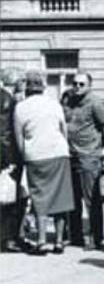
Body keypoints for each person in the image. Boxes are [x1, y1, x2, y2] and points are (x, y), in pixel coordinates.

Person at [13, 71, 74, 255]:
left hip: (35, 155)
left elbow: (19, 137)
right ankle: (58, 241)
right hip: (58, 152)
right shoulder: (54, 104)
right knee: (60, 196)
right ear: (43, 87)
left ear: (27, 88)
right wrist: (64, 148)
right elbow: (64, 130)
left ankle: (40, 241)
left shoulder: (21, 108)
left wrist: (25, 156)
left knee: (39, 197)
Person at [63, 71, 104, 250]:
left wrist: (96, 147)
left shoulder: (96, 104)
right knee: (73, 198)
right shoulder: (68, 101)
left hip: (89, 156)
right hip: (70, 155)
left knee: (91, 198)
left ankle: (95, 237)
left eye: (81, 84)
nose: (77, 87)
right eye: (75, 83)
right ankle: (75, 235)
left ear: (89, 85)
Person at [0, 68, 30, 253]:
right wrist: (9, 159)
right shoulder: (6, 100)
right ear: (16, 82)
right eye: (23, 81)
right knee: (11, 199)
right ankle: (9, 238)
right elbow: (4, 133)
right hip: (7, 157)